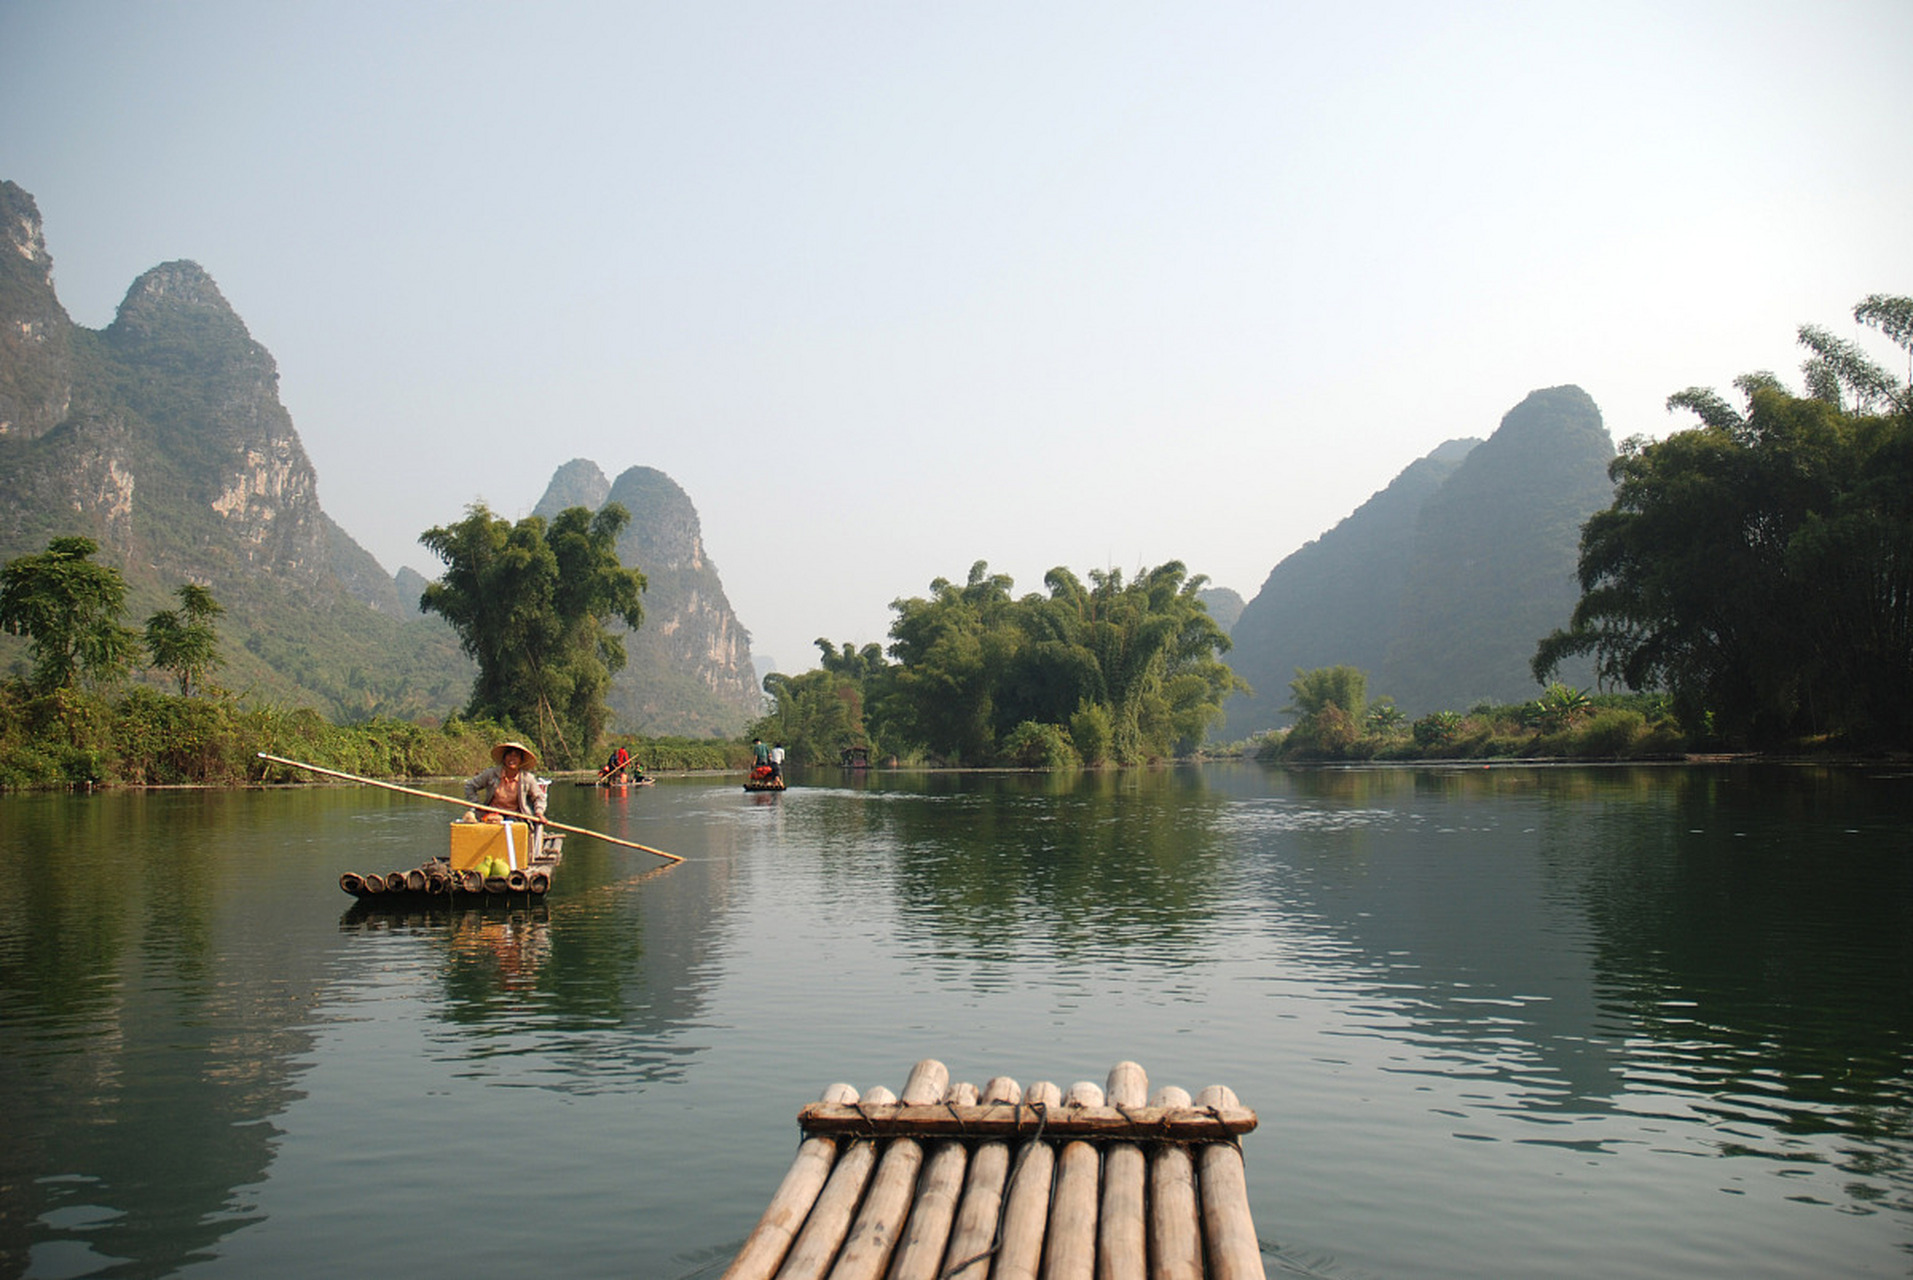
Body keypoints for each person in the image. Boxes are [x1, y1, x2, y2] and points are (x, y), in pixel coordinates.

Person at [463, 740, 548, 830]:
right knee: (470, 817)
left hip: (515, 816)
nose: (512, 759)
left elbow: (539, 797)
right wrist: (476, 804)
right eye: (509, 755)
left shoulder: (527, 778)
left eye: (516, 756)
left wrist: (539, 813)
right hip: (492, 813)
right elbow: (470, 786)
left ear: (520, 760)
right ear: (504, 758)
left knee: (510, 824)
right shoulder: (492, 774)